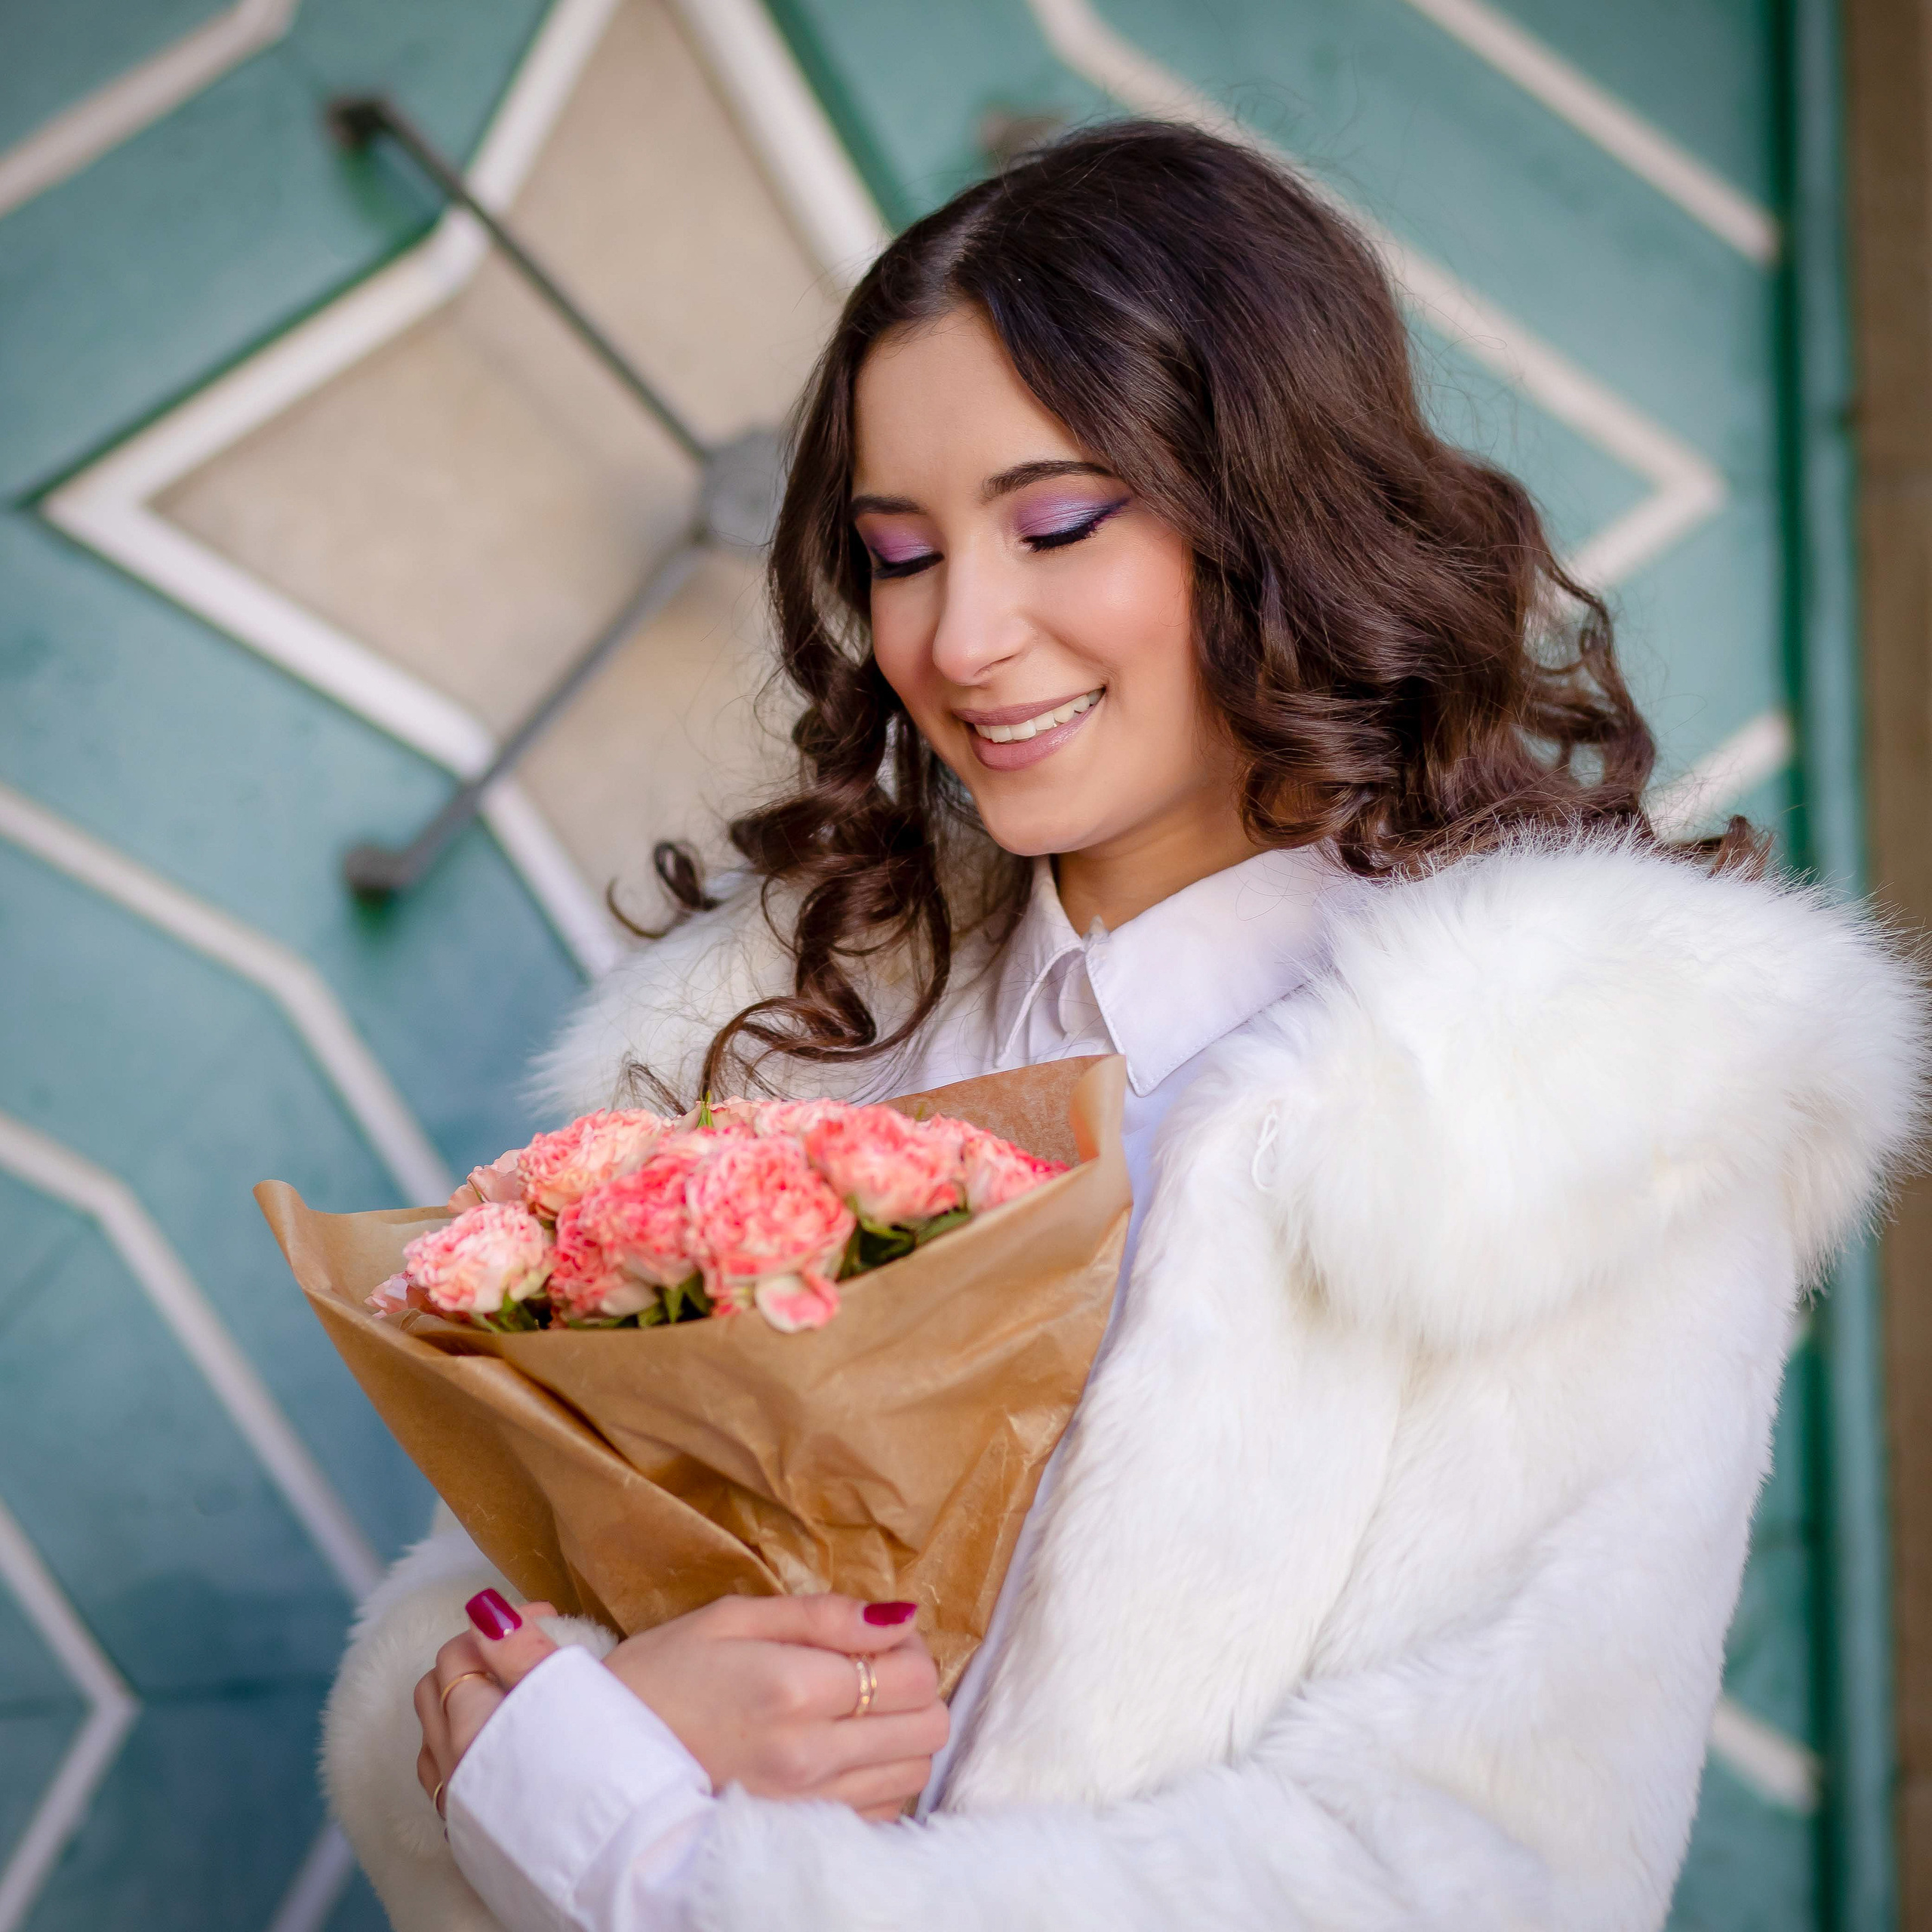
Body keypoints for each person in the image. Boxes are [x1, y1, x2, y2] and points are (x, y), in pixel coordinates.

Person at [326, 122, 1923, 1931]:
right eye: (898, 551)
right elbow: (460, 1646)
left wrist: (654, 1852)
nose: (960, 636)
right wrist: (595, 1711)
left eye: (1055, 524)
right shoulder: (788, 1029)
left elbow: (1469, 1869)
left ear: (1271, 511)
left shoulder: (1572, 1109)